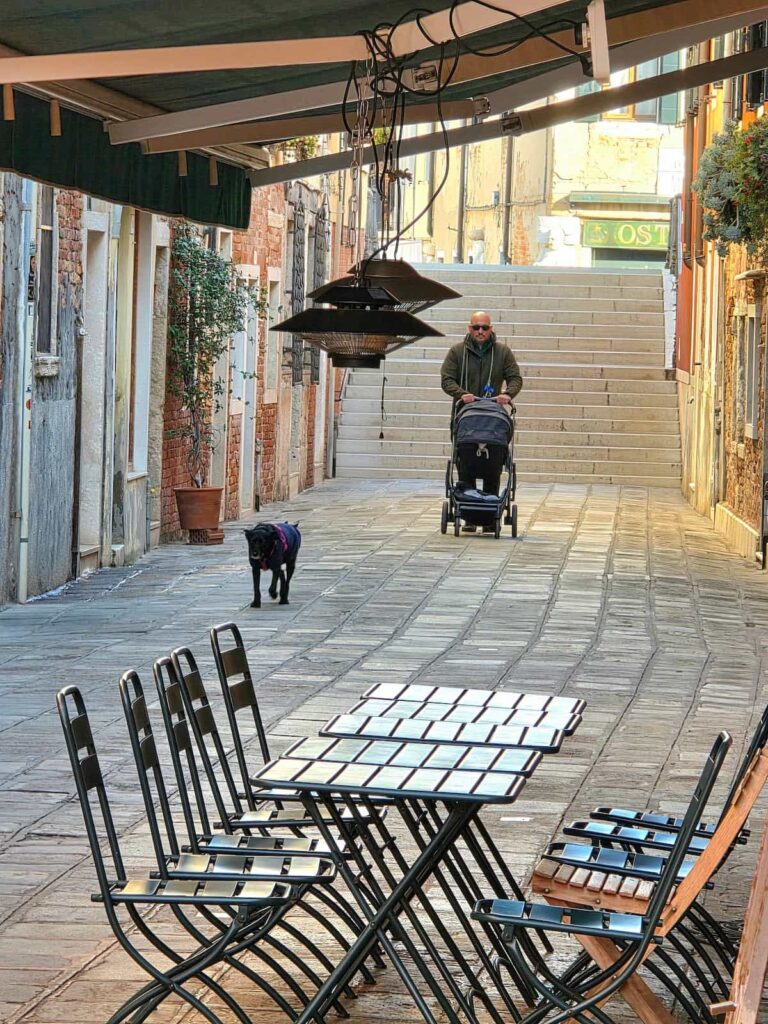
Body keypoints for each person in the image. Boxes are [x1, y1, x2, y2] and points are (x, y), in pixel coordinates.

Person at [440, 311, 523, 531]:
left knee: (493, 466)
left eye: (484, 328)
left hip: (492, 418)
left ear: (491, 329)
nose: (480, 331)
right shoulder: (457, 352)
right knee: (465, 463)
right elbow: (446, 379)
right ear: (469, 328)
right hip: (466, 417)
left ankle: (489, 517)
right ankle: (469, 516)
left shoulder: (502, 352)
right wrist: (460, 394)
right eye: (476, 327)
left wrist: (507, 394)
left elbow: (515, 378)